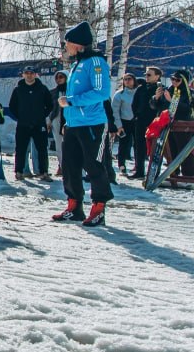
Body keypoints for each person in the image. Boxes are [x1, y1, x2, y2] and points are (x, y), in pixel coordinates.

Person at [52, 22, 113, 226]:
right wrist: (67, 121)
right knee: (70, 166)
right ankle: (74, 206)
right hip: (74, 124)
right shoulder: (76, 65)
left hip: (92, 123)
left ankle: (99, 208)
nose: (65, 47)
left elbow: (101, 92)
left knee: (93, 165)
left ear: (78, 44)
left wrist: (72, 101)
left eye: (67, 43)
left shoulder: (95, 62)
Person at [8, 66, 53, 181]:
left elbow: (50, 105)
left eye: (31, 73)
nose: (29, 75)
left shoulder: (42, 88)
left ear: (35, 74)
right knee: (21, 149)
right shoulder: (18, 89)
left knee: (42, 149)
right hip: (23, 125)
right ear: (23, 75)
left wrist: (42, 115)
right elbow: (12, 106)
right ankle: (19, 172)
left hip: (39, 124)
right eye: (27, 73)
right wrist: (20, 117)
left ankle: (44, 172)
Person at [131, 66, 163, 178]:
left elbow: (162, 106)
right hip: (140, 120)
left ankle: (154, 173)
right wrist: (136, 116)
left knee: (155, 148)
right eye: (146, 74)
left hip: (154, 121)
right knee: (139, 146)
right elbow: (134, 104)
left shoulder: (161, 89)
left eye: (149, 75)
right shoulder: (141, 88)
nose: (147, 77)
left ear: (157, 76)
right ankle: (139, 171)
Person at [111, 74, 137, 175]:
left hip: (136, 121)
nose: (127, 81)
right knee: (123, 144)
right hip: (124, 122)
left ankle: (138, 166)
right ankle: (121, 165)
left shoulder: (138, 92)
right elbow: (115, 111)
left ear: (134, 80)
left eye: (129, 79)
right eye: (125, 79)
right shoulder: (119, 94)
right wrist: (118, 125)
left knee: (138, 145)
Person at [48, 70, 68, 175]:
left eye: (61, 77)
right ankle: (62, 166)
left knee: (71, 144)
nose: (59, 79)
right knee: (59, 145)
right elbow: (49, 108)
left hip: (69, 120)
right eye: (57, 77)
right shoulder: (53, 92)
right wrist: (49, 120)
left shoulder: (71, 92)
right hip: (56, 119)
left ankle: (71, 166)